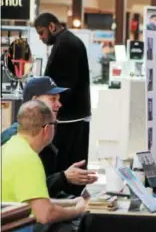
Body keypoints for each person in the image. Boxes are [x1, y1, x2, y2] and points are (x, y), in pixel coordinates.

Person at [1, 76, 97, 198]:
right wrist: (63, 178)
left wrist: (72, 200)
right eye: (53, 99)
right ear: (35, 101)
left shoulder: (43, 138)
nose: (59, 104)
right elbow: (29, 191)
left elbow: (43, 191)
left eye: (58, 99)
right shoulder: (11, 139)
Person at [1, 100, 87, 230]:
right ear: (47, 129)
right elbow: (45, 214)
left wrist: (73, 203)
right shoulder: (28, 158)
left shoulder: (10, 147)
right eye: (55, 124)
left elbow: (36, 202)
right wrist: (78, 211)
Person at [34, 13, 91, 196]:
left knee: (68, 165)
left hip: (70, 119)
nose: (41, 38)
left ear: (52, 27)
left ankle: (68, 206)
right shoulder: (67, 42)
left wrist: (52, 108)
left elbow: (63, 87)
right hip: (72, 117)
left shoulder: (66, 45)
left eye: (42, 33)